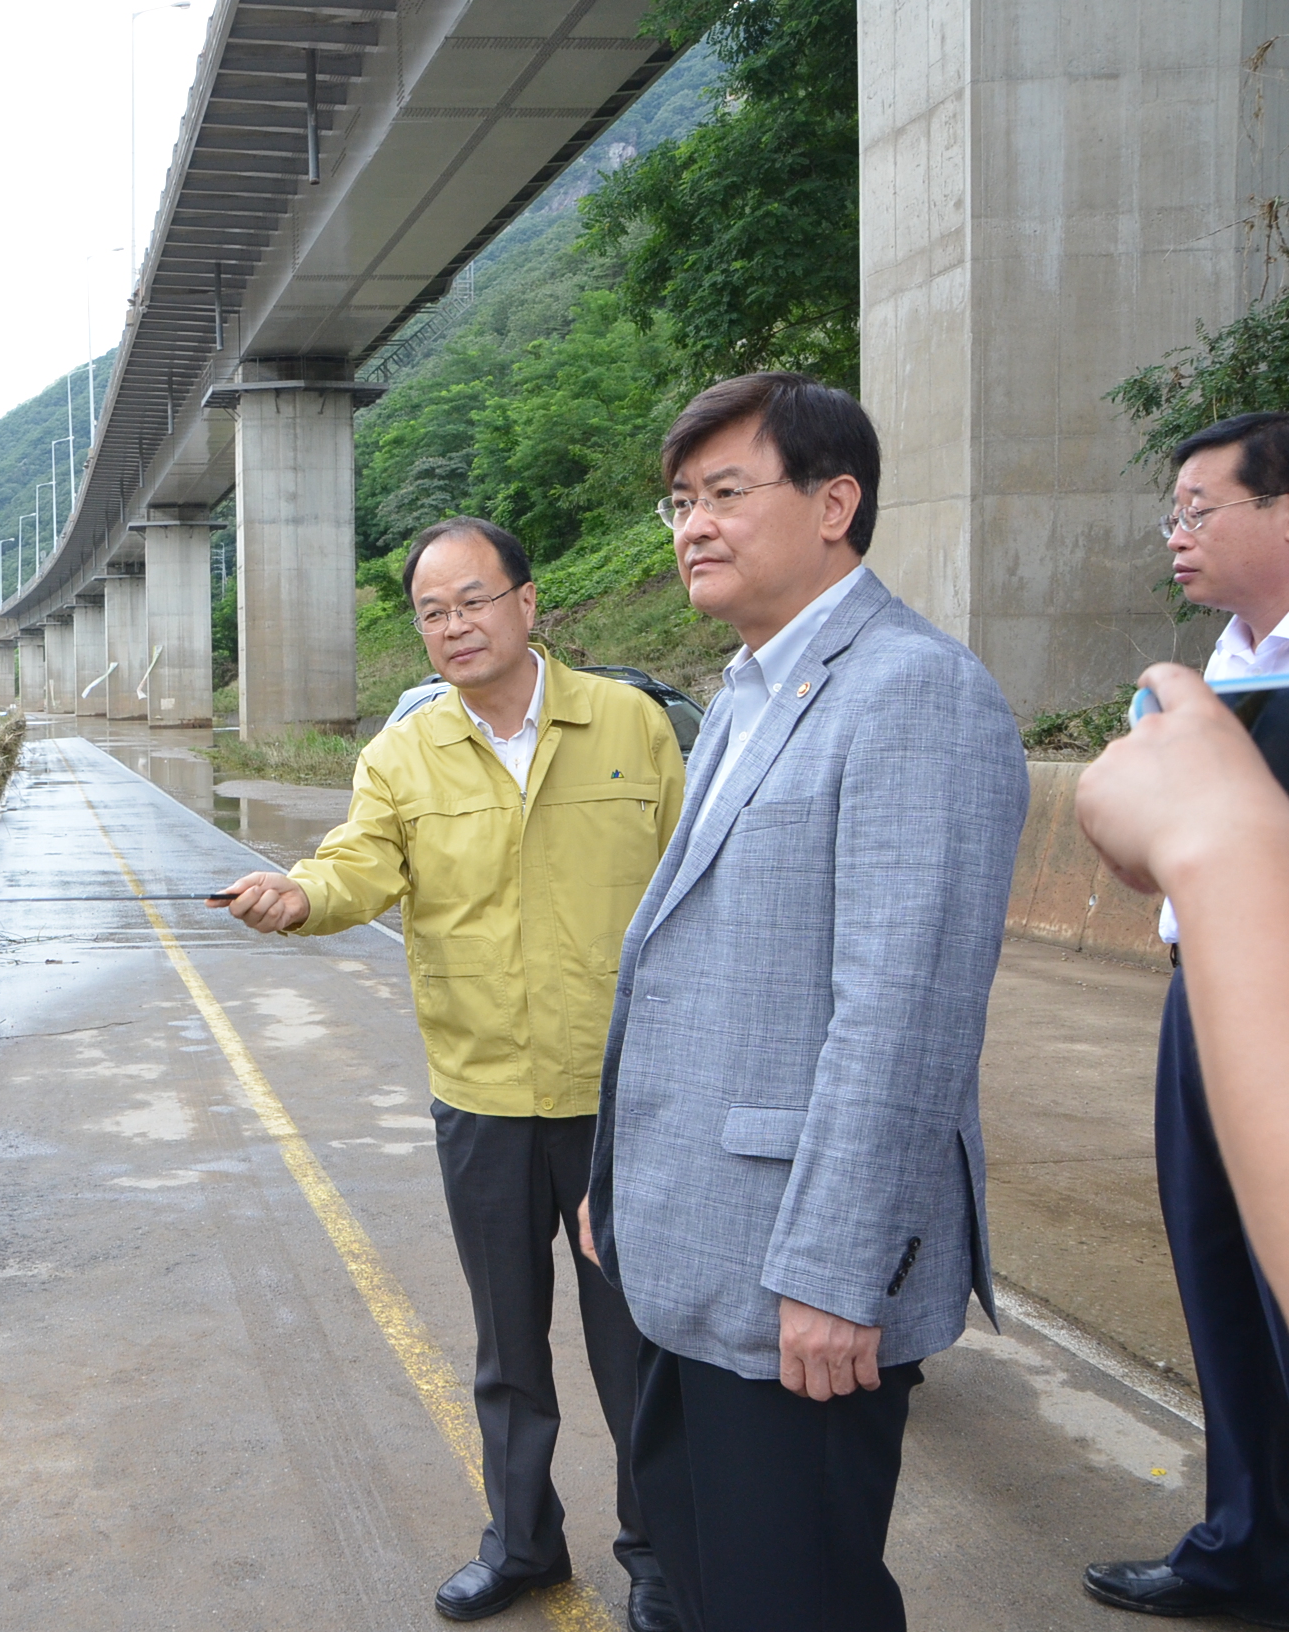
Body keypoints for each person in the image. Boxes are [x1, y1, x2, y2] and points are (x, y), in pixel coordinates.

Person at [575, 372, 1029, 1632]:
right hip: (688, 1243)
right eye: (678, 501)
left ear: (837, 502)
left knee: (797, 1597)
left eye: (726, 492)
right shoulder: (745, 690)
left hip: (796, 1275)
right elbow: (692, 976)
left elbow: (903, 1016)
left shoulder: (913, 692)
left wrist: (837, 1275)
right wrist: (620, 1183)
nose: (691, 527)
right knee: (705, 1576)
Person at [211, 517, 688, 1630]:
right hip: (480, 1099)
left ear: (528, 603)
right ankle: (523, 1546)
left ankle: (660, 1557)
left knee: (637, 1348)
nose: (453, 626)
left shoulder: (631, 726)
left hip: (620, 1098)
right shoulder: (402, 755)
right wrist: (297, 896)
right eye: (431, 612)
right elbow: (356, 865)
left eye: (472, 600)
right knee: (507, 1346)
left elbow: (692, 890)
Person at [1076, 412, 1289, 1626]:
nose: (1177, 534)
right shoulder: (1216, 669)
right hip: (1195, 996)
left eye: (1200, 509)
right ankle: (1245, 1538)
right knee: (1215, 1265)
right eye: (1173, 513)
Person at [1076, 664, 1289, 1286]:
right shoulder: (1229, 660)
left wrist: (1205, 849)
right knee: (1220, 1277)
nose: (1172, 557)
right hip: (1203, 980)